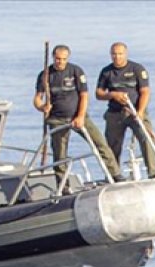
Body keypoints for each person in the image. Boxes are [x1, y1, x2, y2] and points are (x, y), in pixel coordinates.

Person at [34, 44, 121, 185]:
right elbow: (37, 98)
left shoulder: (76, 71)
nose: (60, 62)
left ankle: (115, 174)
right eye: (57, 59)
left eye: (63, 59)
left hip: (78, 116)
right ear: (53, 58)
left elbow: (84, 95)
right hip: (57, 119)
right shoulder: (45, 75)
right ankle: (63, 184)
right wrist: (41, 107)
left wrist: (80, 116)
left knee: (100, 143)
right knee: (60, 154)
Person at [96, 42, 155, 179]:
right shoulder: (106, 72)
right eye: (114, 54)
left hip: (135, 112)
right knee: (112, 145)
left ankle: (153, 172)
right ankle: (114, 175)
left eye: (120, 54)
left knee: (146, 138)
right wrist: (113, 95)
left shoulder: (137, 69)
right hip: (115, 113)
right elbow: (99, 93)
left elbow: (145, 92)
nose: (117, 57)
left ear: (125, 54)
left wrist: (141, 111)